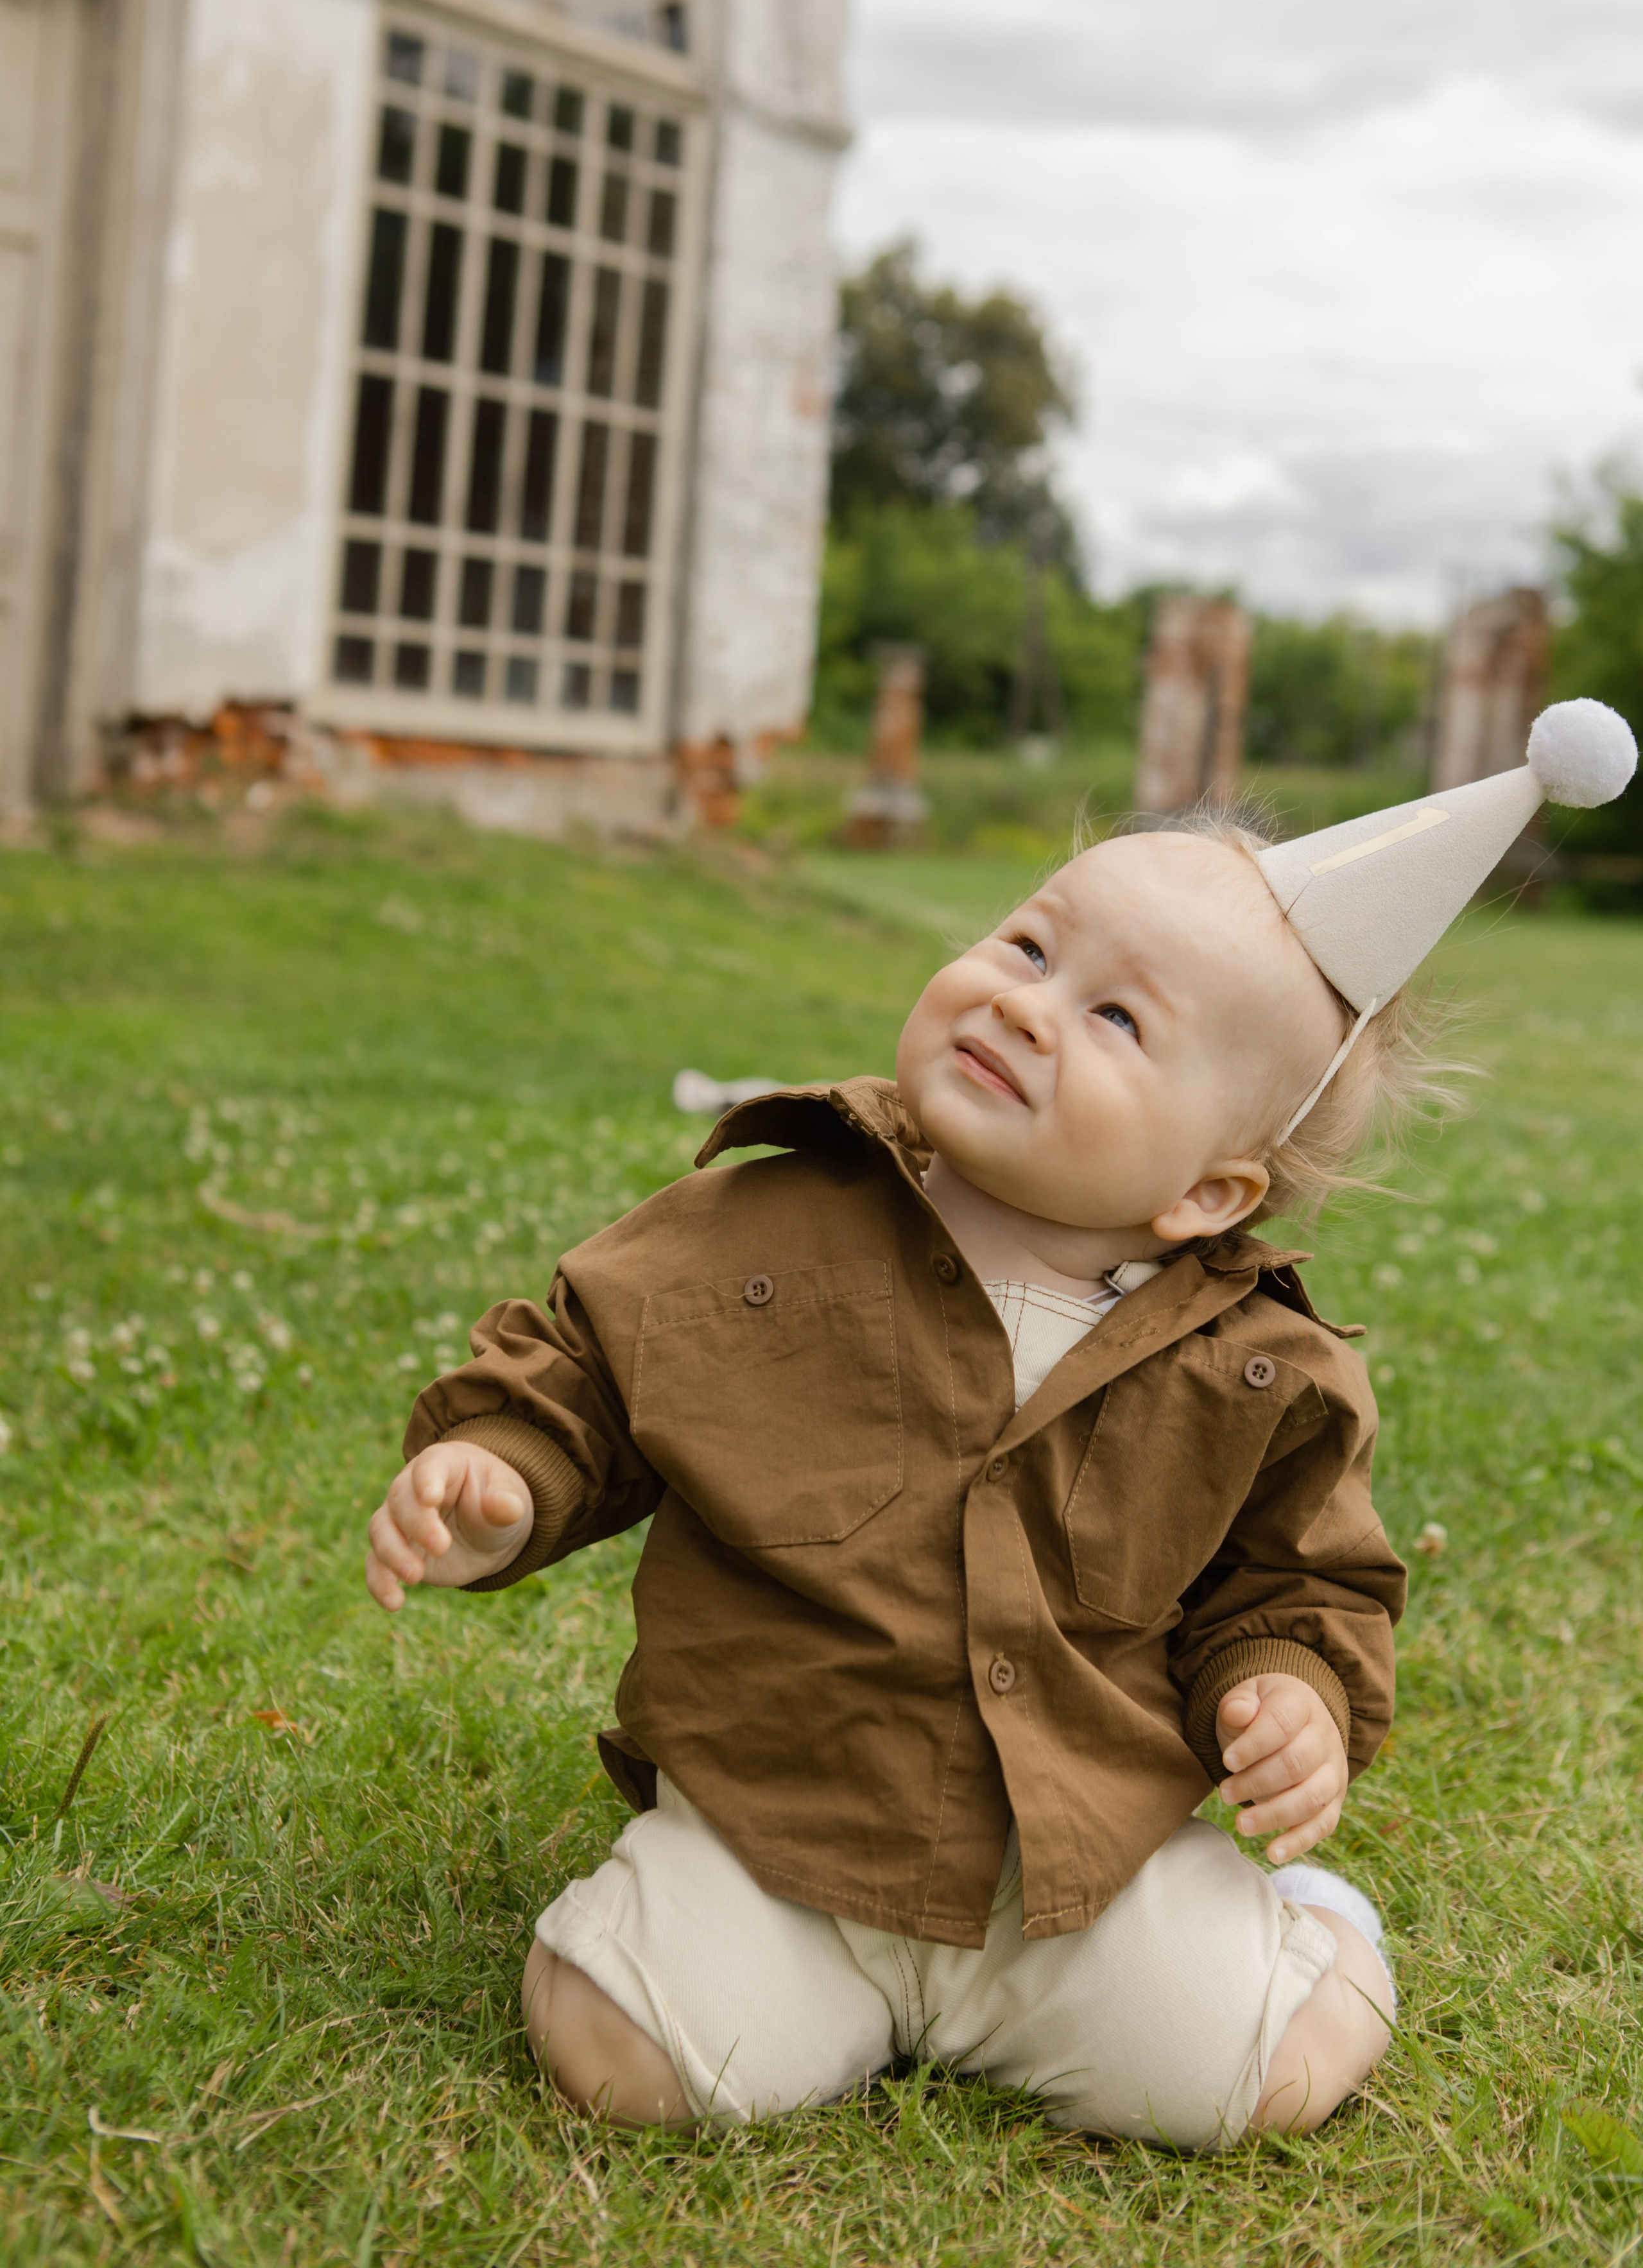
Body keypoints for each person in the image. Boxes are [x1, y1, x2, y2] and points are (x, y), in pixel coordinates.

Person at [364, 701, 1635, 2148]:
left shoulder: (1257, 1375)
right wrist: (502, 1476)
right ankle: (777, 1973)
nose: (1027, 1004)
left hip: (1078, 1876)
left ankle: (1317, 1928)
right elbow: (583, 1371)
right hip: (785, 1827)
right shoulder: (763, 1225)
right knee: (616, 2054)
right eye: (1030, 946)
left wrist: (1288, 1691)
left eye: (1116, 1019)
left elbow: (1298, 1582)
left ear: (1207, 1194)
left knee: (1260, 2077)